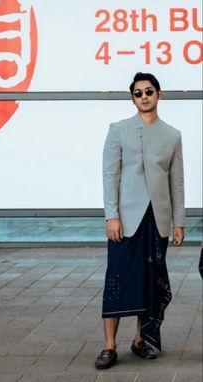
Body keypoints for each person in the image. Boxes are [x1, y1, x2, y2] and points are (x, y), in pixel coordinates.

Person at [95, 72, 185, 369]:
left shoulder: (172, 135)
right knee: (117, 280)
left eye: (149, 91)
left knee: (149, 283)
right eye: (138, 93)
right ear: (132, 98)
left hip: (157, 221)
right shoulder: (118, 130)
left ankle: (140, 340)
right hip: (126, 220)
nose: (144, 97)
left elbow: (177, 182)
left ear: (160, 94)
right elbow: (111, 176)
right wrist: (112, 216)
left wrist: (179, 222)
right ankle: (109, 346)